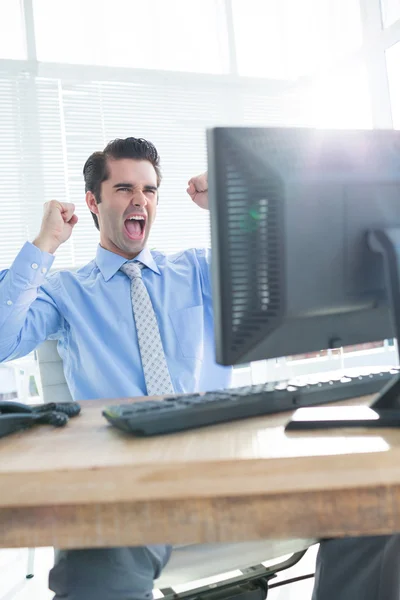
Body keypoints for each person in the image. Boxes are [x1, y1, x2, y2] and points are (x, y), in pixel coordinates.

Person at [0, 136, 399, 600]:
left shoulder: (196, 270)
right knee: (94, 566)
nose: (139, 201)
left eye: (149, 190)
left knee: (380, 507)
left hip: (227, 461)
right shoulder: (64, 290)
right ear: (93, 201)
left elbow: (282, 275)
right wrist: (44, 242)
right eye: (125, 189)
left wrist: (235, 205)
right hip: (129, 481)